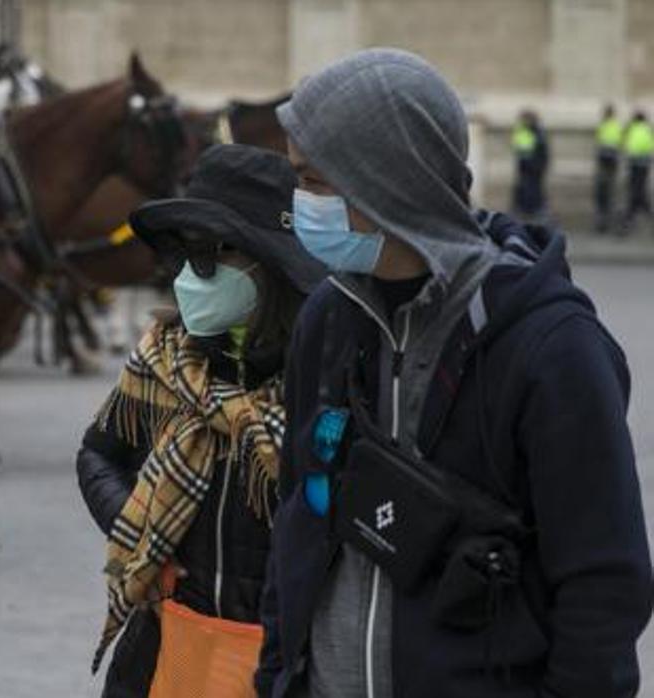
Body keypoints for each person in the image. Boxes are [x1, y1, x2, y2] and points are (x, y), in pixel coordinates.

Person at [255, 47, 653, 698]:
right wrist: (277, 673)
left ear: (386, 181)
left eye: (315, 182)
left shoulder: (550, 347)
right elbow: (298, 513)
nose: (299, 203)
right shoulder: (328, 318)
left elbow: (603, 584)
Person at [76, 144, 325, 697]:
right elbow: (98, 454)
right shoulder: (163, 358)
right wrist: (141, 534)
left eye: (213, 255)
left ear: (273, 267)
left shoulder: (325, 377)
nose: (192, 274)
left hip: (277, 662)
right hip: (167, 649)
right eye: (185, 255)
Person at [510, 109, 549, 221]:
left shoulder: (536, 132)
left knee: (533, 190)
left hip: (534, 166)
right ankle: (525, 211)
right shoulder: (526, 131)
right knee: (525, 189)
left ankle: (532, 211)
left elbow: (541, 150)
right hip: (526, 166)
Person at [622, 109, 653, 235]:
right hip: (645, 164)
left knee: (635, 190)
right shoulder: (647, 129)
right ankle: (635, 212)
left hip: (634, 163)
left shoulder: (632, 128)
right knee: (639, 189)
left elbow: (627, 145)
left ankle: (630, 216)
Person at [594, 104, 623, 233]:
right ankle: (607, 219)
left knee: (604, 190)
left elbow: (599, 141)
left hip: (605, 159)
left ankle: (604, 219)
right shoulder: (616, 125)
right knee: (609, 190)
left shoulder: (603, 125)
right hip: (612, 159)